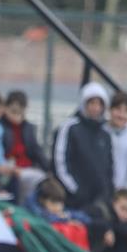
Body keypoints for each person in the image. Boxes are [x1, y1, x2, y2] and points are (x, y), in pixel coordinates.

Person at [52, 82, 114, 219]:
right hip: (73, 200)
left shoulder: (105, 133)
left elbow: (109, 166)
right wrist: (75, 189)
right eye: (91, 103)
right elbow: (60, 162)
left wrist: (106, 193)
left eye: (100, 104)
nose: (95, 108)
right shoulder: (70, 127)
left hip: (98, 201)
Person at [1, 90, 49, 195]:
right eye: (13, 111)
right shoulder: (0, 127)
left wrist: (49, 169)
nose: (17, 116)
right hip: (8, 168)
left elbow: (36, 150)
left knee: (43, 179)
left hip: (27, 168)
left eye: (20, 112)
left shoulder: (28, 128)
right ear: (5, 109)